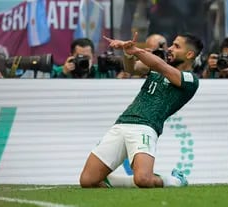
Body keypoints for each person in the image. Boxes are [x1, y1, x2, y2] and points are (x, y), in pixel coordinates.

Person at [79, 32, 203, 188]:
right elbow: (132, 68)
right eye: (171, 44)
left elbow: (161, 66)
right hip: (122, 123)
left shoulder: (190, 79)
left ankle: (175, 180)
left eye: (176, 46)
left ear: (190, 54)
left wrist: (136, 50)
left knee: (143, 180)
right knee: (87, 181)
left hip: (146, 126)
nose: (170, 48)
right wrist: (128, 54)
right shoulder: (159, 67)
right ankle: (115, 181)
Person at [51, 38, 117, 79]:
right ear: (71, 56)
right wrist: (63, 74)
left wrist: (118, 81)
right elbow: (51, 93)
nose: (83, 60)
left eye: (86, 57)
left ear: (93, 57)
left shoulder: (101, 72)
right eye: (79, 57)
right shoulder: (59, 71)